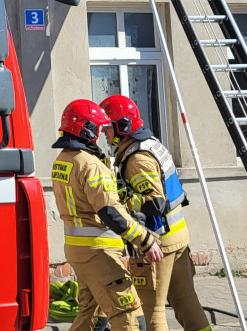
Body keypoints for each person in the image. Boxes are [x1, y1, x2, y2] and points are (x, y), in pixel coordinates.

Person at [52, 98, 163, 331]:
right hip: (99, 252)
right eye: (98, 127)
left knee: (92, 318)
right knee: (130, 317)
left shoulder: (63, 160)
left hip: (79, 250)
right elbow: (110, 211)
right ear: (87, 129)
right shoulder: (91, 166)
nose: (102, 133)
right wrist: (145, 240)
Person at [100, 95, 209, 331]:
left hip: (158, 243)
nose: (103, 134)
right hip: (177, 238)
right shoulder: (150, 144)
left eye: (107, 127)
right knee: (186, 302)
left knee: (152, 311)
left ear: (123, 127)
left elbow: (156, 203)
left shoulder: (138, 158)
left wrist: (125, 197)